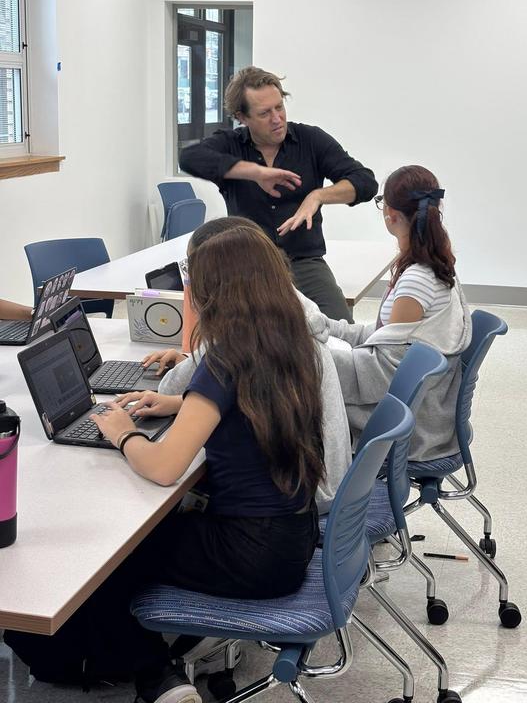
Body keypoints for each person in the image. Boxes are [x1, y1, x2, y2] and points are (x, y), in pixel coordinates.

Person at [8, 225, 327, 703]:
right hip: (293, 537)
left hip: (249, 553)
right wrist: (180, 404)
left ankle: (159, 677)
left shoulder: (224, 359)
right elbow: (249, 408)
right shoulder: (284, 342)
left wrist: (123, 434)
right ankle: (154, 666)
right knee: (140, 537)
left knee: (107, 561)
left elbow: (163, 467)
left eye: (190, 283)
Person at [136, 216, 351, 515]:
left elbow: (164, 465)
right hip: (318, 494)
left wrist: (123, 433)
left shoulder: (234, 347)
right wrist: (179, 396)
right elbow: (252, 397)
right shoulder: (288, 324)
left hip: (301, 503)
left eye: (192, 271)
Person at [178, 66, 378, 321]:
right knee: (242, 339)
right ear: (242, 117)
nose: (277, 118)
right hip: (246, 269)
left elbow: (365, 182)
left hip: (303, 263)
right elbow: (189, 157)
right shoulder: (231, 145)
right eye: (264, 113)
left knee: (341, 331)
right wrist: (256, 173)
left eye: (279, 107)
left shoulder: (310, 140)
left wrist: (316, 196)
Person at [325, 165, 472, 463]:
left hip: (412, 427)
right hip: (424, 408)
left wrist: (311, 351)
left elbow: (385, 370)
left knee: (302, 378)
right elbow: (386, 338)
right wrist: (328, 328)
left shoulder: (416, 282)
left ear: (390, 214)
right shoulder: (433, 267)